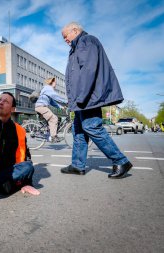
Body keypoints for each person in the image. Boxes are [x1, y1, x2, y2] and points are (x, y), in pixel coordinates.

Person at [60, 22, 132, 179]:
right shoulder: (77, 46)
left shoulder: (86, 41)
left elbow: (88, 70)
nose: (64, 39)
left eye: (65, 36)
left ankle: (120, 160)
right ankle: (78, 165)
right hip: (82, 98)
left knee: (92, 127)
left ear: (75, 30)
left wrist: (81, 96)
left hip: (87, 97)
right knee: (78, 130)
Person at [34, 77, 68, 143]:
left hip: (40, 107)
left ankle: (49, 135)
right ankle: (53, 137)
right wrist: (67, 101)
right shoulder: (48, 88)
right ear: (51, 82)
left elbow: (53, 102)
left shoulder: (46, 89)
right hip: (41, 107)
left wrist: (61, 107)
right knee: (54, 118)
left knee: (50, 120)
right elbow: (56, 97)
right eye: (55, 82)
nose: (56, 84)